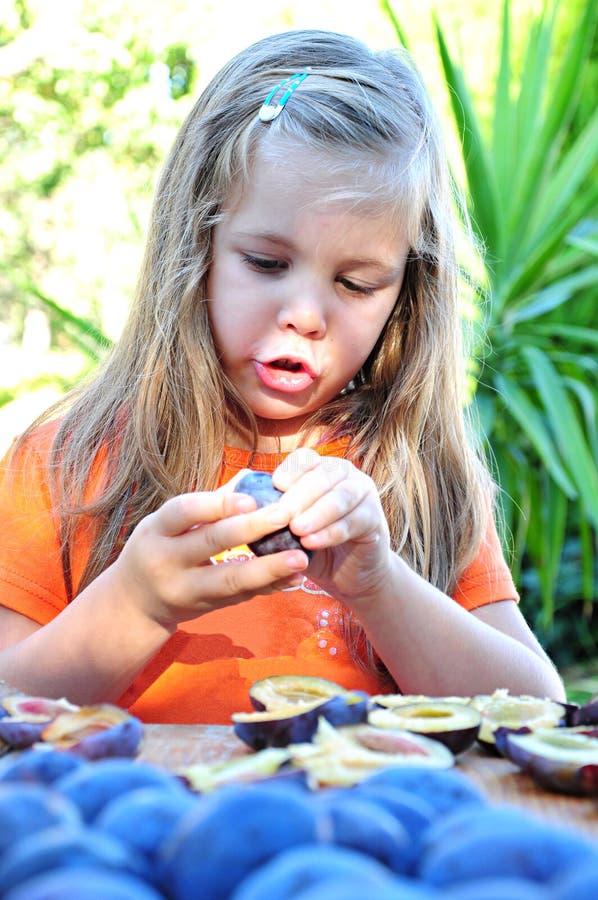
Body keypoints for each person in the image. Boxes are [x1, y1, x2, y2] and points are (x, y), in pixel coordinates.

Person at [0, 29, 565, 724]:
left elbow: (538, 708)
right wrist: (136, 602)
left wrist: (380, 585)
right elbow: (8, 702)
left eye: (356, 284)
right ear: (194, 244)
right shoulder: (67, 462)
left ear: (405, 296)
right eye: (266, 264)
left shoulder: (418, 473)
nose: (304, 314)